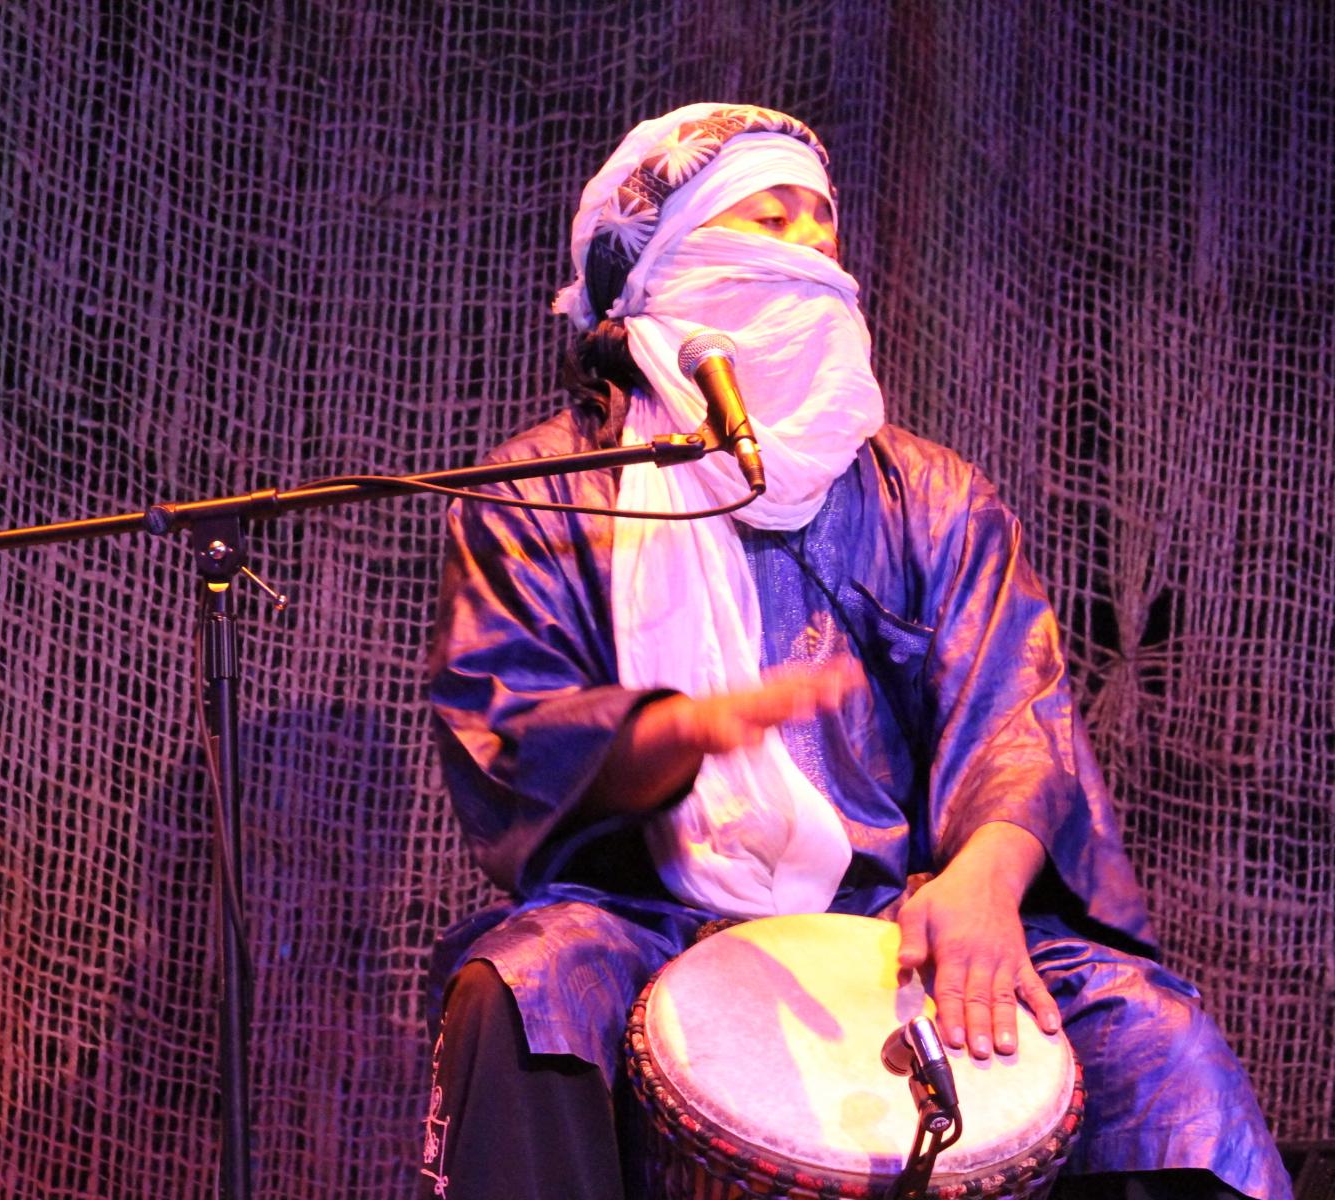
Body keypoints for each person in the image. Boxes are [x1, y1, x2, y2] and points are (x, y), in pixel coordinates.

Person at [419, 103, 1289, 1200]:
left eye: (819, 224)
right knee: (525, 989)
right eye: (764, 220)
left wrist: (984, 877)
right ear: (672, 262)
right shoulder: (537, 494)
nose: (808, 251)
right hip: (645, 917)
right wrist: (671, 732)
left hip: (904, 908)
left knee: (1158, 1046)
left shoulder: (929, 494)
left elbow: (1018, 717)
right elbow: (505, 726)